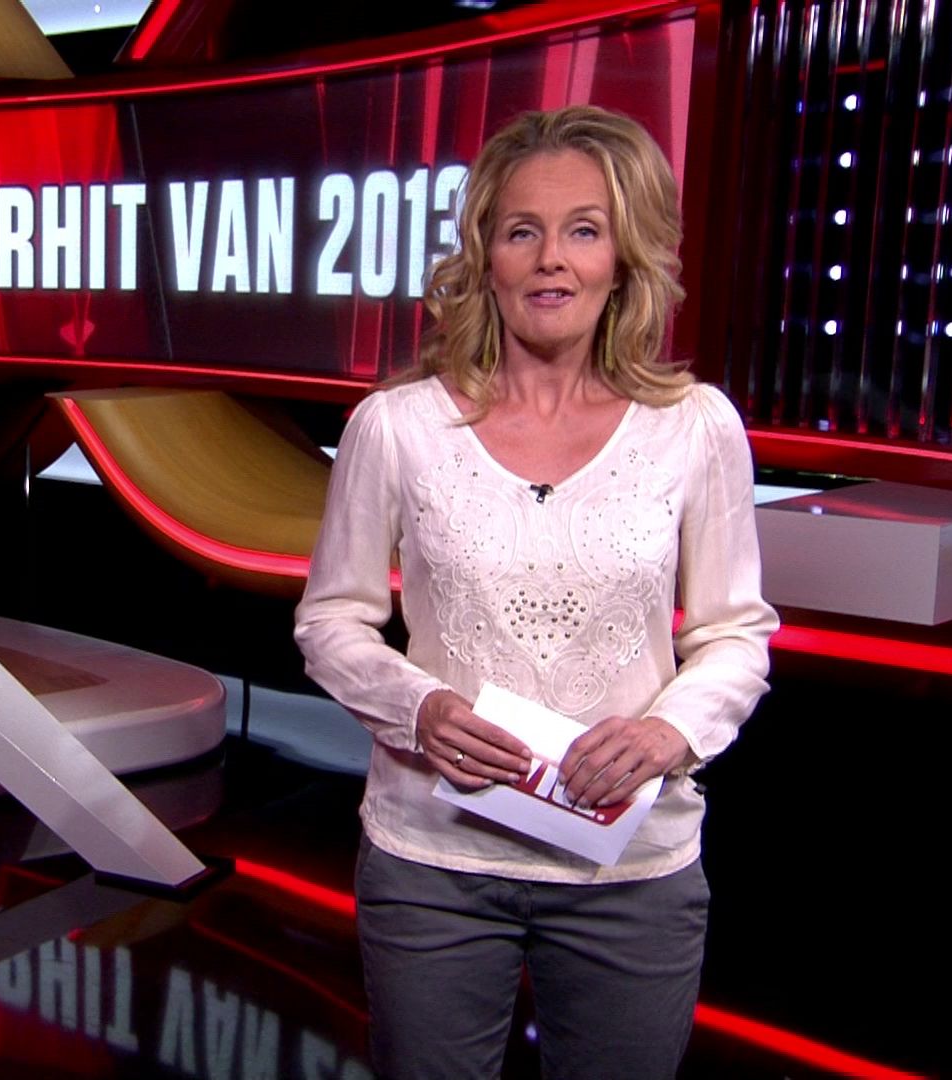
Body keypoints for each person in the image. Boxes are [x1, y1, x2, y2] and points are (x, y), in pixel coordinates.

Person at [293, 105, 777, 1080]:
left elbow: (736, 632)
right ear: (486, 257)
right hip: (435, 859)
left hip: (630, 866)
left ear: (623, 257)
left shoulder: (694, 427)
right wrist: (416, 707)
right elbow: (332, 618)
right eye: (523, 231)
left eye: (583, 230)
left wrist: (670, 731)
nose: (552, 259)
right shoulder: (396, 427)